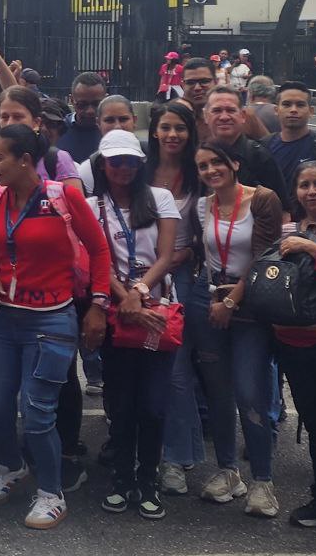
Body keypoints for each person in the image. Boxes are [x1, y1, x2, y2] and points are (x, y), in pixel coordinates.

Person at [0, 123, 111, 531]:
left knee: (37, 412)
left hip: (51, 318)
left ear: (25, 160)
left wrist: (98, 305)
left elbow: (99, 248)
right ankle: (11, 466)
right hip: (3, 316)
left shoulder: (64, 196)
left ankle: (51, 492)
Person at [86, 130, 179, 519]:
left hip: (156, 307)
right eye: (115, 161)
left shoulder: (159, 198)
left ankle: (149, 478)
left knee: (154, 405)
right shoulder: (92, 205)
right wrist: (123, 298)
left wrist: (139, 291)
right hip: (115, 310)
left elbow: (167, 254)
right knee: (122, 402)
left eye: (129, 161)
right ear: (102, 165)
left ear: (140, 164)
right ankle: (123, 477)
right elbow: (94, 256)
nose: (123, 168)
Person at [190, 141, 283, 517]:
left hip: (249, 307)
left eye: (217, 162)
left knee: (250, 392)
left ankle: (263, 481)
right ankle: (228, 472)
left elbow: (265, 256)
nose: (211, 170)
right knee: (218, 392)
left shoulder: (262, 199)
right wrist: (216, 301)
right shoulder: (202, 205)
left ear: (234, 163)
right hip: (210, 300)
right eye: (202, 166)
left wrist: (231, 302)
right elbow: (206, 256)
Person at [147, 100, 207, 495]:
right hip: (138, 276)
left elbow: (205, 236)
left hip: (182, 278)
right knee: (143, 367)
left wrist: (176, 259)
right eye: (166, 127)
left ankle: (177, 457)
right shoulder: (140, 170)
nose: (172, 135)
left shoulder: (200, 175)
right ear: (154, 131)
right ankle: (142, 448)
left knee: (178, 370)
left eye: (180, 128)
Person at [275, 161, 316, 528]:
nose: (311, 191)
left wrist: (311, 250)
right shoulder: (289, 228)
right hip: (292, 343)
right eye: (304, 185)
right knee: (314, 423)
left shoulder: (302, 238)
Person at [204, 86, 291, 215]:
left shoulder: (259, 156)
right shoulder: (198, 157)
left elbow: (283, 210)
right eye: (216, 110)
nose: (224, 117)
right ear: (206, 116)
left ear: (243, 115)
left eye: (230, 110)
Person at [0, 86, 82, 190]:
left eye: (18, 117)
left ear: (36, 122)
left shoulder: (57, 160)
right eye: (5, 117)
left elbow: (74, 205)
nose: (10, 123)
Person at [183, 57, 267, 142]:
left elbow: (270, 149)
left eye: (204, 81)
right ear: (182, 85)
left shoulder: (244, 116)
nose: (197, 88)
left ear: (216, 82)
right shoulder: (177, 120)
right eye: (191, 83)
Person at [265, 81, 316, 187]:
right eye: (286, 104)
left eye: (300, 105)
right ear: (276, 110)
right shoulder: (263, 146)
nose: (293, 110)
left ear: (311, 111)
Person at [76, 95, 138, 194]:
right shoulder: (88, 170)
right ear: (98, 123)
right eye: (109, 120)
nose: (117, 126)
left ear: (134, 121)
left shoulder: (151, 159)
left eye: (123, 119)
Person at [56, 73, 106, 162]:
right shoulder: (58, 130)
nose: (90, 111)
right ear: (71, 100)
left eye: (96, 104)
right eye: (82, 105)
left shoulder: (111, 131)